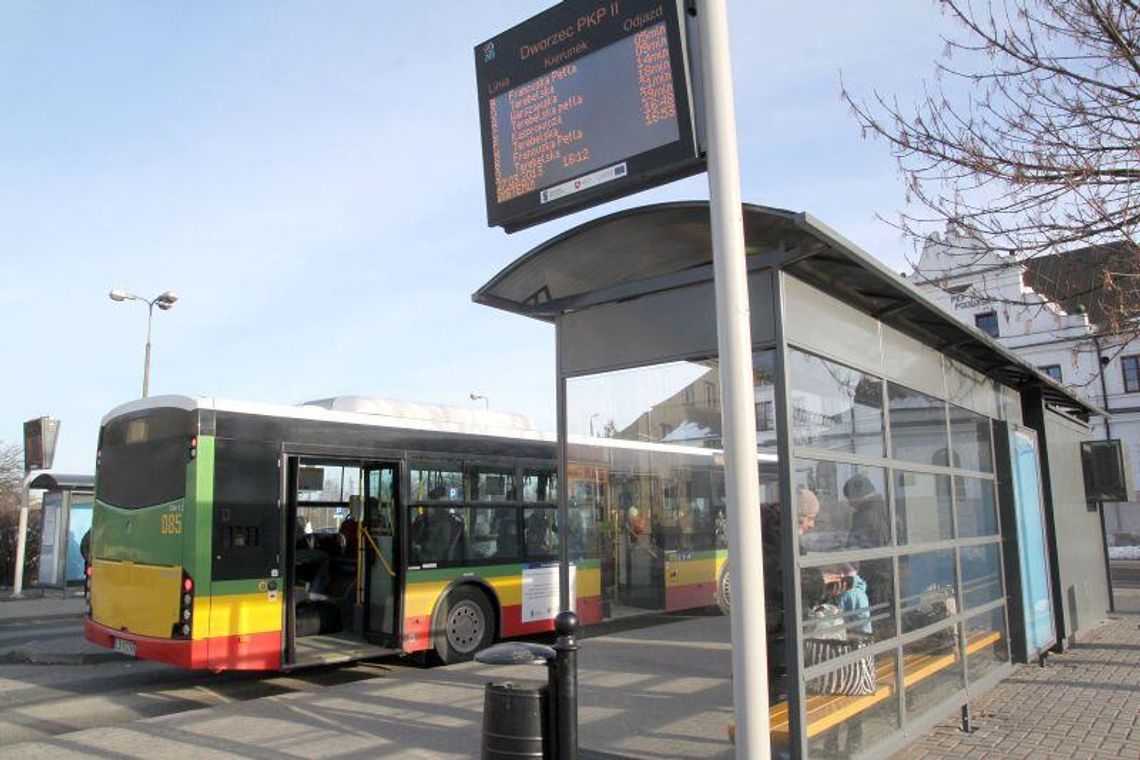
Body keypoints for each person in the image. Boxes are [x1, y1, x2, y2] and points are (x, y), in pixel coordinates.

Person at [295, 515, 331, 599]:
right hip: (292, 553)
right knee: (324, 557)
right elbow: (299, 537)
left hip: (290, 552)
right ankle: (315, 590)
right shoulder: (291, 521)